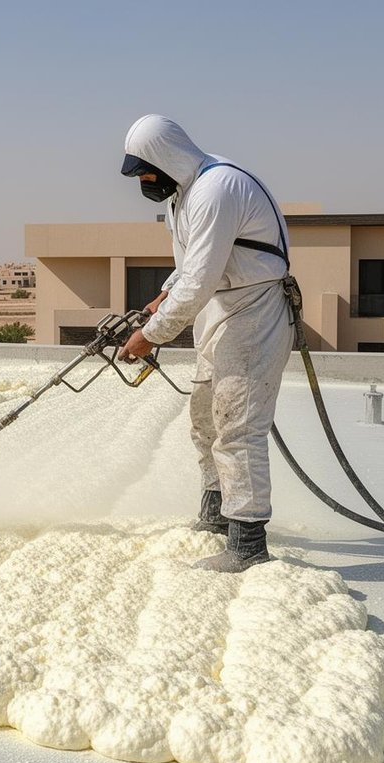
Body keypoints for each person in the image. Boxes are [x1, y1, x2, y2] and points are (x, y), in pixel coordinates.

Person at [116, 114, 293, 573]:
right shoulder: (184, 195)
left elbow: (198, 280)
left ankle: (247, 544)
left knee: (238, 424)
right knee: (205, 418)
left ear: (167, 160)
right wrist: (161, 297)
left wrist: (150, 336)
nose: (145, 183)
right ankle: (216, 516)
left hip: (253, 310)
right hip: (221, 308)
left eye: (147, 173)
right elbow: (191, 266)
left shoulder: (217, 188)